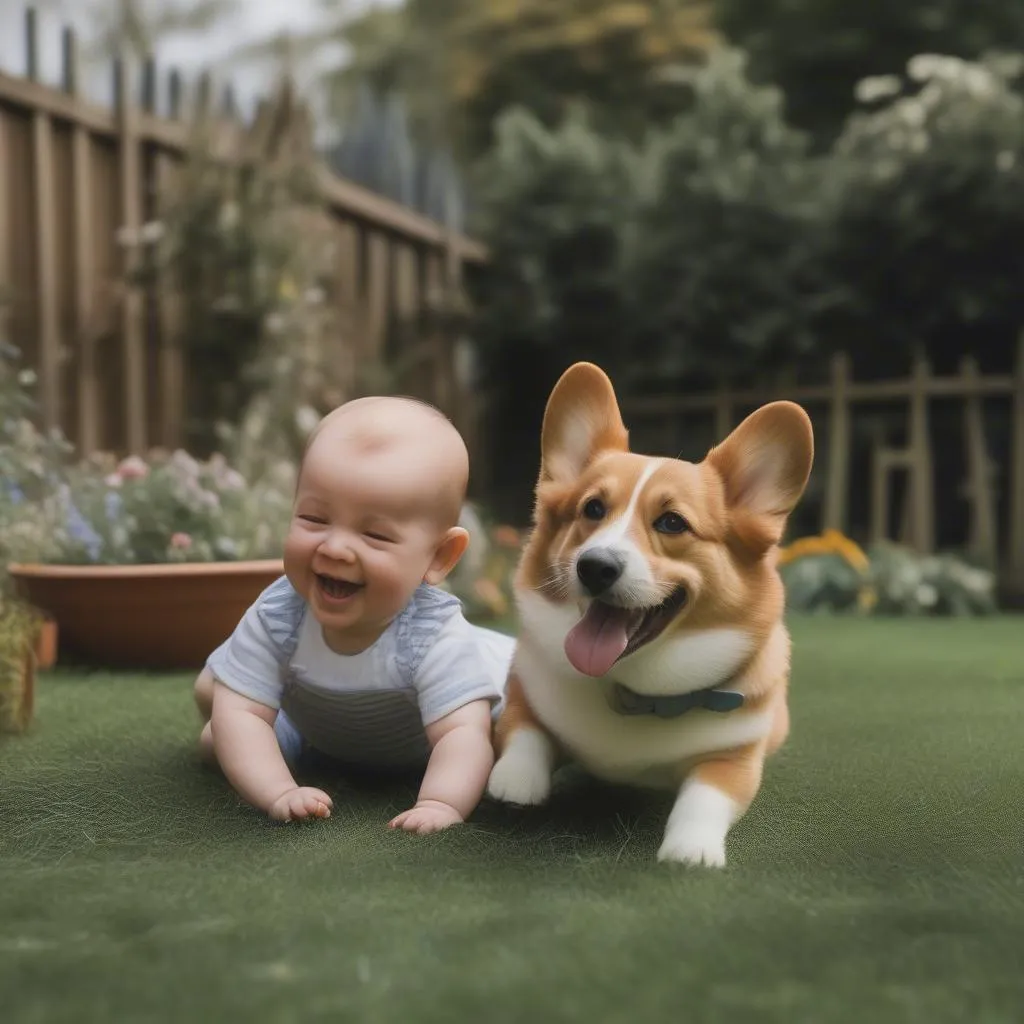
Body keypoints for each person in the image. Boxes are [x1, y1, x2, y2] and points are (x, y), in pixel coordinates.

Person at [192, 396, 515, 834]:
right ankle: (265, 724)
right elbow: (242, 713)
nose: (335, 547)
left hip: (434, 737)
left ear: (439, 556)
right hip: (324, 733)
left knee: (503, 737)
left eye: (375, 534)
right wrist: (278, 791)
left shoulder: (433, 634)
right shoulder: (279, 613)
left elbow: (461, 736)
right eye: (313, 518)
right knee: (223, 730)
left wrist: (441, 803)